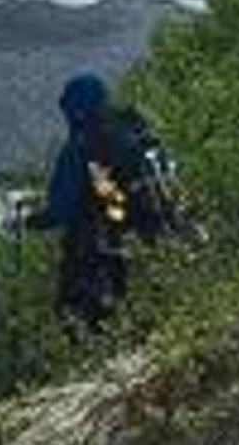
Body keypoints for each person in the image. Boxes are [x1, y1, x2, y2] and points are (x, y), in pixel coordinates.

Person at [35, 71, 175, 327]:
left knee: (77, 311)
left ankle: (92, 349)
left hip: (94, 244)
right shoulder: (131, 126)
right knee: (127, 295)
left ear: (74, 110)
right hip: (141, 230)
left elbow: (61, 208)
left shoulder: (81, 146)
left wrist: (36, 220)